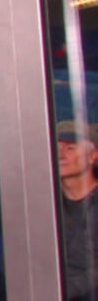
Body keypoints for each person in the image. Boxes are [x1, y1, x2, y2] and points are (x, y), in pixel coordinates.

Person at [57, 120, 98, 300]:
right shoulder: (41, 205)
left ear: (93, 156)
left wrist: (61, 290)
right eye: (55, 147)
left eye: (70, 148)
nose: (60, 155)